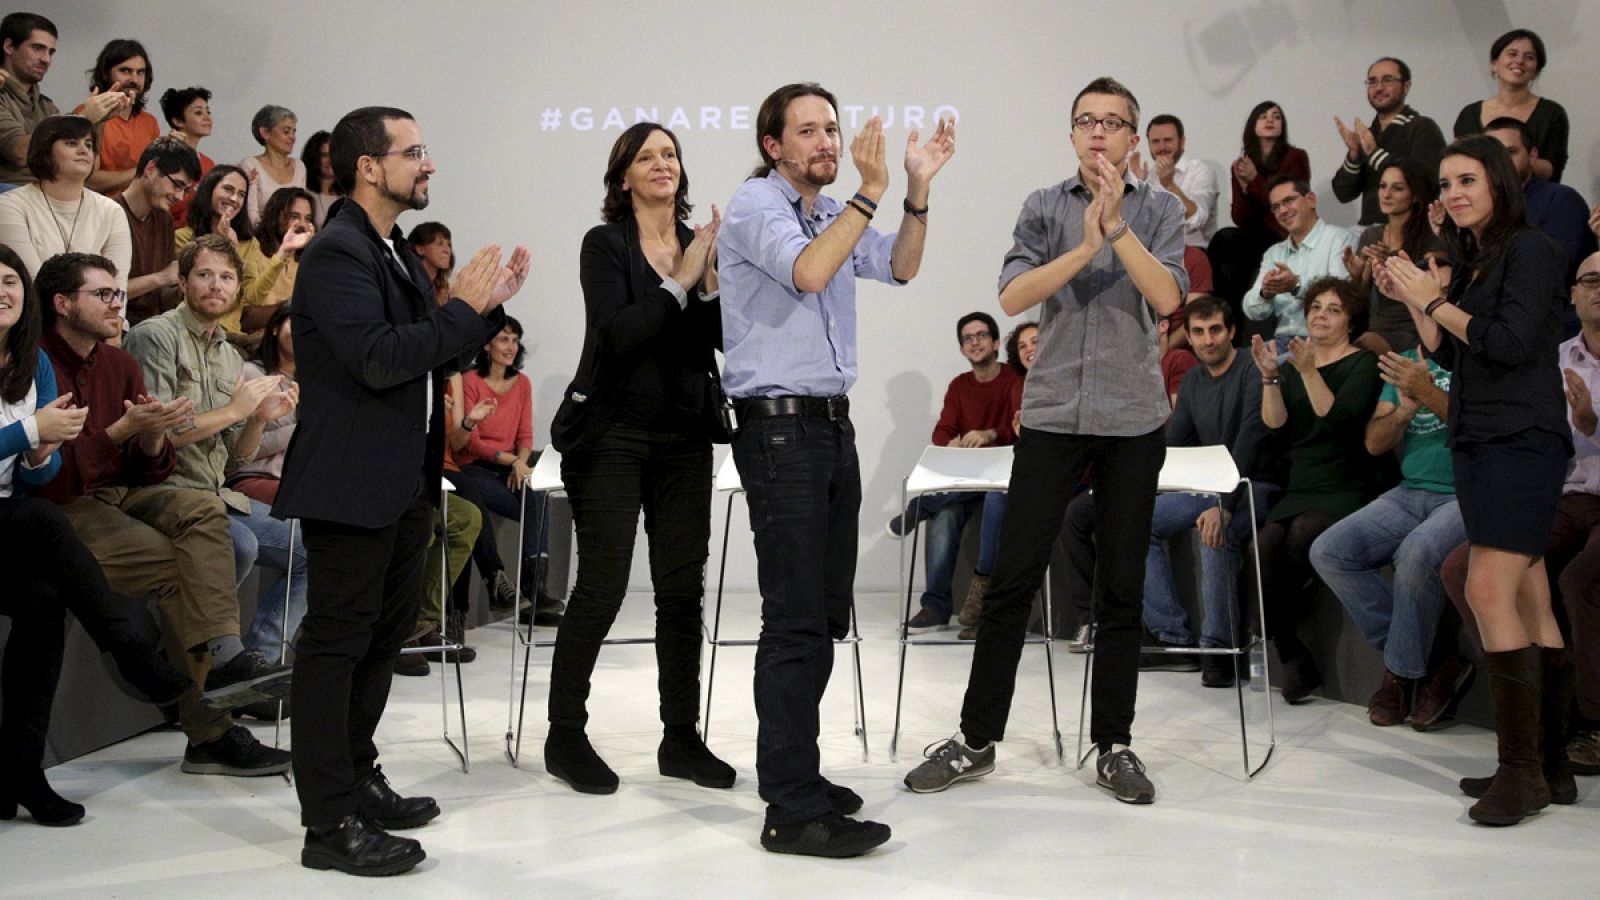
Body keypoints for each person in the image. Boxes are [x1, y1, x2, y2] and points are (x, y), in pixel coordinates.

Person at [905, 76, 1183, 809]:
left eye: (1114, 122)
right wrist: (1085, 244)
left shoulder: (1158, 210)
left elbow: (1168, 299)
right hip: (1055, 410)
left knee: (1120, 587)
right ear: (1072, 134)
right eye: (1086, 121)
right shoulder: (1042, 206)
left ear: (1132, 135)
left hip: (1132, 416)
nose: (1099, 133)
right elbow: (1014, 297)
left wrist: (1118, 232)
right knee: (1012, 577)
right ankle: (976, 739)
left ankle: (1114, 744)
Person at [272, 105, 527, 875]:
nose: (429, 164)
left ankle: (355, 775)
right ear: (368, 167)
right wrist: (464, 313)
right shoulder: (337, 253)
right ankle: (327, 823)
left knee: (380, 643)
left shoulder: (388, 251)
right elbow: (383, 359)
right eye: (414, 152)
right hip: (350, 485)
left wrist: (478, 316)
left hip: (402, 483)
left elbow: (433, 350)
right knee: (336, 648)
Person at [719, 81, 953, 856]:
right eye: (809, 131)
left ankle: (803, 777)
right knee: (792, 621)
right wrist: (871, 191)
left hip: (827, 428)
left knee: (821, 618)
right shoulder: (757, 206)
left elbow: (904, 266)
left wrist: (915, 191)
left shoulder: (829, 214)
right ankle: (788, 807)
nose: (826, 140)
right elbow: (811, 274)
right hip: (780, 433)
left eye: (832, 128)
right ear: (773, 147)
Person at [1375, 134, 1571, 826]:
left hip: (1522, 440)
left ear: (1498, 183)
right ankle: (1548, 763)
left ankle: (1521, 774)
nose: (1454, 192)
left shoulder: (1531, 249)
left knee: (1488, 587)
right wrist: (1415, 294)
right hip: (1483, 441)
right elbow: (1452, 345)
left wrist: (1434, 301)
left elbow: (1512, 344)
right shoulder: (1478, 256)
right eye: (1447, 184)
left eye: (1468, 180)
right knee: (1531, 598)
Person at [35, 251, 294, 776]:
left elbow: (154, 467)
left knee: (203, 512)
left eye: (117, 292)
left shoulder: (120, 363)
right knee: (188, 566)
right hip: (65, 502)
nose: (116, 303)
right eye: (103, 294)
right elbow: (52, 476)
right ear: (62, 304)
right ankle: (209, 728)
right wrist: (129, 433)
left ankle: (223, 657)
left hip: (130, 488)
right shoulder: (39, 360)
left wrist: (151, 436)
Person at [542, 121, 731, 795]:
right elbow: (617, 334)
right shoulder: (605, 243)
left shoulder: (695, 243)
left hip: (683, 438)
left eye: (671, 154)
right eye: (647, 156)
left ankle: (681, 739)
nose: (663, 164)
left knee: (683, 593)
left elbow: (716, 340)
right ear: (623, 177)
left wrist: (705, 283)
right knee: (602, 586)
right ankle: (565, 736)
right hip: (611, 435)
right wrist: (678, 282)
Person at [0, 242, 191, 826]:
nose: (2, 291)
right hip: (19, 520)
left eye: (9, 281)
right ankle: (131, 651)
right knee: (43, 519)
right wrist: (31, 429)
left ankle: (20, 775)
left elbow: (46, 470)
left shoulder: (29, 362)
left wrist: (40, 452)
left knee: (44, 599)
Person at [124, 234, 307, 667]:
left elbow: (235, 459)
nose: (216, 285)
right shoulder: (156, 336)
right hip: (158, 488)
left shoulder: (227, 355)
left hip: (214, 493)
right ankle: (198, 668)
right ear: (183, 282)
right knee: (239, 544)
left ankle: (257, 664)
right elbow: (153, 437)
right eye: (204, 274)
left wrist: (259, 417)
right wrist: (233, 411)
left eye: (227, 277)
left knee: (312, 546)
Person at [1308, 295, 1473, 729]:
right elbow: (1376, 442)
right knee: (1328, 550)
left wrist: (1427, 390)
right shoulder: (1403, 362)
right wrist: (1403, 412)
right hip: (1409, 490)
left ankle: (1398, 677)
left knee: (1415, 552)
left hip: (1467, 495)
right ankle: (1435, 660)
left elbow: (1474, 428)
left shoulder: (1476, 361)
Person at [1249, 277, 1385, 704]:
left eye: (1334, 309)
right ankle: (1293, 654)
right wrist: (1272, 378)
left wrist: (1308, 370)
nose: (1321, 315)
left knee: (1302, 533)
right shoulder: (1294, 364)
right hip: (1302, 480)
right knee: (1263, 544)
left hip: (1347, 480)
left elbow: (1338, 420)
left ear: (1350, 321)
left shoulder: (1362, 363)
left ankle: (1272, 624)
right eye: (1315, 308)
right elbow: (1275, 424)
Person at [1145, 296, 1278, 685]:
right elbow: (1176, 443)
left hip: (1257, 484)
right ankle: (1174, 638)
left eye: (1215, 330)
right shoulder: (1192, 381)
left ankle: (1217, 650)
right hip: (1208, 487)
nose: (1207, 341)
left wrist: (1224, 503)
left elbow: (1252, 442)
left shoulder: (1252, 371)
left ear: (1232, 331)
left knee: (1213, 534)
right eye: (1199, 332)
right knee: (1132, 521)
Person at [890, 311, 1020, 636]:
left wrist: (990, 434)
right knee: (946, 517)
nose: (975, 343)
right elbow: (943, 429)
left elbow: (1021, 427)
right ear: (962, 349)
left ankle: (918, 508)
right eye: (968, 339)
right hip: (965, 477)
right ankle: (935, 607)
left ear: (995, 342)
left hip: (1002, 475)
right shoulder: (959, 386)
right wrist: (950, 441)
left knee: (963, 497)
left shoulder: (1015, 380)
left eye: (981, 336)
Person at [443, 315, 564, 625]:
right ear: (487, 345)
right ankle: (498, 593)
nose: (510, 346)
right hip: (474, 467)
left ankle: (533, 590)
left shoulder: (522, 383)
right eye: (503, 339)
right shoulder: (469, 381)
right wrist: (510, 461)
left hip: (509, 466)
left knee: (536, 492)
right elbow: (469, 444)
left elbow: (525, 436)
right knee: (480, 499)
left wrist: (521, 463)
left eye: (514, 339)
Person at [175, 165, 309, 336]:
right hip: (191, 330)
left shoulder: (249, 243)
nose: (234, 198)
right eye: (228, 189)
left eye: (241, 194)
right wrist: (228, 248)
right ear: (209, 190)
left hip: (231, 335)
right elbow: (193, 292)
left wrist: (283, 253)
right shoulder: (183, 237)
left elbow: (254, 296)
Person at [1209, 101, 1311, 327]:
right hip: (1255, 236)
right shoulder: (1242, 164)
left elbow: (1289, 205)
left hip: (1283, 233)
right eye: (1263, 116)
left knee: (1225, 239)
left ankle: (1227, 324)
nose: (1270, 120)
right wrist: (1245, 189)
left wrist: (1255, 181)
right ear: (1252, 125)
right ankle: (1227, 326)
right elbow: (1240, 218)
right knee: (1227, 263)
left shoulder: (1295, 157)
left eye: (1276, 116)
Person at [0, 115, 131, 290]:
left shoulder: (112, 210)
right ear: (45, 150)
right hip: (39, 312)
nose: (84, 150)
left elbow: (117, 286)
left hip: (101, 313)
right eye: (71, 143)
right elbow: (32, 282)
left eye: (89, 144)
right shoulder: (11, 205)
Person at [0, 12, 128, 186]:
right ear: (8, 47)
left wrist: (99, 120)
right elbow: (20, 153)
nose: (46, 59)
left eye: (50, 52)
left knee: (108, 208)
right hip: (11, 191)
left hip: (48, 191)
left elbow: (86, 171)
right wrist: (83, 119)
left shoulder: (46, 105)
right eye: (37, 48)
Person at [1341, 158, 1443, 354]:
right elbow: (1360, 302)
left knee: (1361, 349)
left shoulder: (1432, 235)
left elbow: (1435, 284)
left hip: (1418, 327)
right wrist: (1358, 275)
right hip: (1377, 328)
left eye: (1397, 188)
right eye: (1382, 186)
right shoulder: (1371, 236)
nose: (1386, 194)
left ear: (1414, 195)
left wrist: (1394, 261)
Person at [1242, 176, 1358, 347]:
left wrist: (1296, 286)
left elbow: (1339, 298)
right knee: (1242, 366)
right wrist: (1265, 293)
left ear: (1311, 199)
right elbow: (1253, 311)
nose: (1282, 210)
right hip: (1281, 342)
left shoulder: (1340, 239)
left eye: (1288, 201)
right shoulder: (1274, 254)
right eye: (1276, 207)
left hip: (1323, 341)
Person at [1330, 57, 1446, 226]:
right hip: (1369, 233)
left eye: (1387, 80)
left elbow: (1428, 183)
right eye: (1372, 81)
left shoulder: (1422, 127)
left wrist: (1376, 154)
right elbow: (1343, 193)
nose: (1379, 88)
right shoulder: (1369, 135)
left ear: (1406, 86)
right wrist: (1354, 155)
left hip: (1411, 231)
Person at [1482, 117, 1594, 292]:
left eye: (1510, 152)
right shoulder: (1482, 206)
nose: (1501, 161)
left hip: (1554, 312)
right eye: (1493, 155)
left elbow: (1555, 270)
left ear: (1532, 156)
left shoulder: (1561, 200)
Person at [1453, 29, 1569, 183]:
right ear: (1494, 64)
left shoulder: (1552, 113)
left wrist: (1502, 159)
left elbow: (1552, 170)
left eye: (1529, 57)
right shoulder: (1469, 114)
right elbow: (1459, 165)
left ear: (1536, 71)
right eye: (1512, 54)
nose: (1519, 61)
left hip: (1532, 200)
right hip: (1480, 202)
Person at [118, 135, 199, 325]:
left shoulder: (164, 219)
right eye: (177, 185)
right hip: (118, 325)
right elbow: (104, 291)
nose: (180, 197)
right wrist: (161, 278)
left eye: (186, 191)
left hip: (157, 325)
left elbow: (165, 295)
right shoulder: (109, 213)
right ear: (150, 169)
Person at [75, 39, 159, 197]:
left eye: (140, 72)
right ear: (106, 74)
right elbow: (88, 181)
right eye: (125, 71)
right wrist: (144, 171)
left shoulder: (149, 122)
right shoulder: (87, 113)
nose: (134, 79)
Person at [1129, 114, 1218, 247]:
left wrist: (1169, 185)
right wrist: (1137, 187)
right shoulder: (1149, 175)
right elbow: (1136, 226)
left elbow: (1197, 219)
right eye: (1155, 142)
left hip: (1191, 251)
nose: (1162, 147)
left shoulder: (1201, 171)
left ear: (1182, 142)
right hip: (1152, 254)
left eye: (1168, 140)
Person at [250, 186, 316, 318]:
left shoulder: (307, 260)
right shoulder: (252, 250)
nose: (302, 224)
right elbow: (245, 317)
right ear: (275, 216)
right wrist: (293, 307)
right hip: (252, 337)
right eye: (294, 216)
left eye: (307, 218)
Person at [239, 105, 305, 228]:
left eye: (294, 131)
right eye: (286, 131)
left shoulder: (299, 167)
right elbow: (251, 215)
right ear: (265, 133)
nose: (293, 137)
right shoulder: (250, 165)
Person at [158, 85, 214, 227]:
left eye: (208, 112)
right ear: (177, 120)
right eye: (198, 113)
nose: (207, 117)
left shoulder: (208, 164)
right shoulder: (166, 157)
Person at [302, 129, 342, 226]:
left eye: (334, 154)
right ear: (313, 158)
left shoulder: (349, 195)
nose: (330, 160)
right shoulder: (305, 194)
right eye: (325, 155)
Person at [407, 220, 452, 304]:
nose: (447, 250)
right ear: (420, 249)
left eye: (448, 244)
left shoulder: (444, 290)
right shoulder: (408, 286)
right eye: (439, 244)